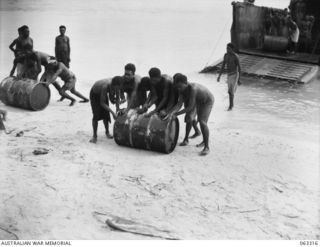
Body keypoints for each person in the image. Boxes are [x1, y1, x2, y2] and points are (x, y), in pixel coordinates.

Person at [163, 73, 214, 156]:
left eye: (180, 86)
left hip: (206, 101)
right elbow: (179, 104)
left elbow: (190, 107)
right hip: (196, 100)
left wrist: (176, 114)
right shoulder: (181, 90)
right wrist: (171, 113)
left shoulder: (193, 89)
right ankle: (186, 139)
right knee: (189, 118)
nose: (179, 89)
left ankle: (206, 146)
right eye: (177, 87)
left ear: (186, 83)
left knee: (202, 122)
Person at [159, 73, 201, 139]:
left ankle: (186, 139)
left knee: (189, 117)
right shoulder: (179, 87)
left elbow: (189, 107)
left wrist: (175, 113)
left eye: (179, 86)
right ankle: (197, 131)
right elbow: (177, 102)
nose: (178, 88)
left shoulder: (191, 88)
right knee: (190, 116)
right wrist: (169, 112)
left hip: (195, 100)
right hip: (187, 100)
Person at [89, 76, 123, 143]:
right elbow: (102, 103)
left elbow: (117, 99)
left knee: (105, 114)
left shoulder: (117, 86)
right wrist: (113, 113)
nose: (119, 89)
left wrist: (117, 109)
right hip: (95, 94)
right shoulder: (105, 86)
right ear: (114, 85)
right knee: (96, 115)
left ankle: (107, 132)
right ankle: (94, 136)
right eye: (118, 87)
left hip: (103, 93)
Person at [217, 43, 241, 111]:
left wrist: (239, 79)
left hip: (235, 75)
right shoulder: (225, 55)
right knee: (229, 92)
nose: (227, 50)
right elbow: (223, 66)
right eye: (226, 48)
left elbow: (239, 68)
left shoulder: (235, 56)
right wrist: (219, 76)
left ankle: (230, 107)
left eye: (228, 49)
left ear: (232, 49)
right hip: (229, 75)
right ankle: (232, 105)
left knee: (231, 92)